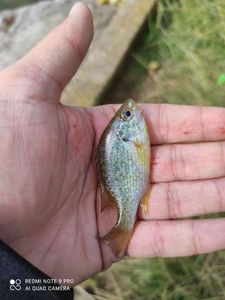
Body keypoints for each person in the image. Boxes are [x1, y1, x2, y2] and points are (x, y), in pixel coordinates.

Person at [0, 1, 225, 299]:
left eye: (126, 114)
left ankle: (122, 227)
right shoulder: (126, 138)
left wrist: (18, 280)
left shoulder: (128, 139)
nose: (130, 111)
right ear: (125, 129)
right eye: (127, 116)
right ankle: (123, 226)